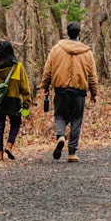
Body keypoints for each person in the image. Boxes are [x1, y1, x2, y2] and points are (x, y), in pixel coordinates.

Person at [40, 21, 98, 162]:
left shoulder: (56, 49)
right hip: (79, 92)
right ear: (79, 33)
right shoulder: (87, 52)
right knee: (76, 120)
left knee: (60, 116)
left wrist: (45, 86)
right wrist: (94, 93)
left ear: (67, 32)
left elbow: (48, 70)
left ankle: (61, 135)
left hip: (61, 91)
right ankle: (72, 153)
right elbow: (92, 75)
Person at [0, 40, 32, 161]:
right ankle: (9, 145)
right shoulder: (17, 66)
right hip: (13, 100)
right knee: (16, 123)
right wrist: (26, 101)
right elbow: (24, 86)